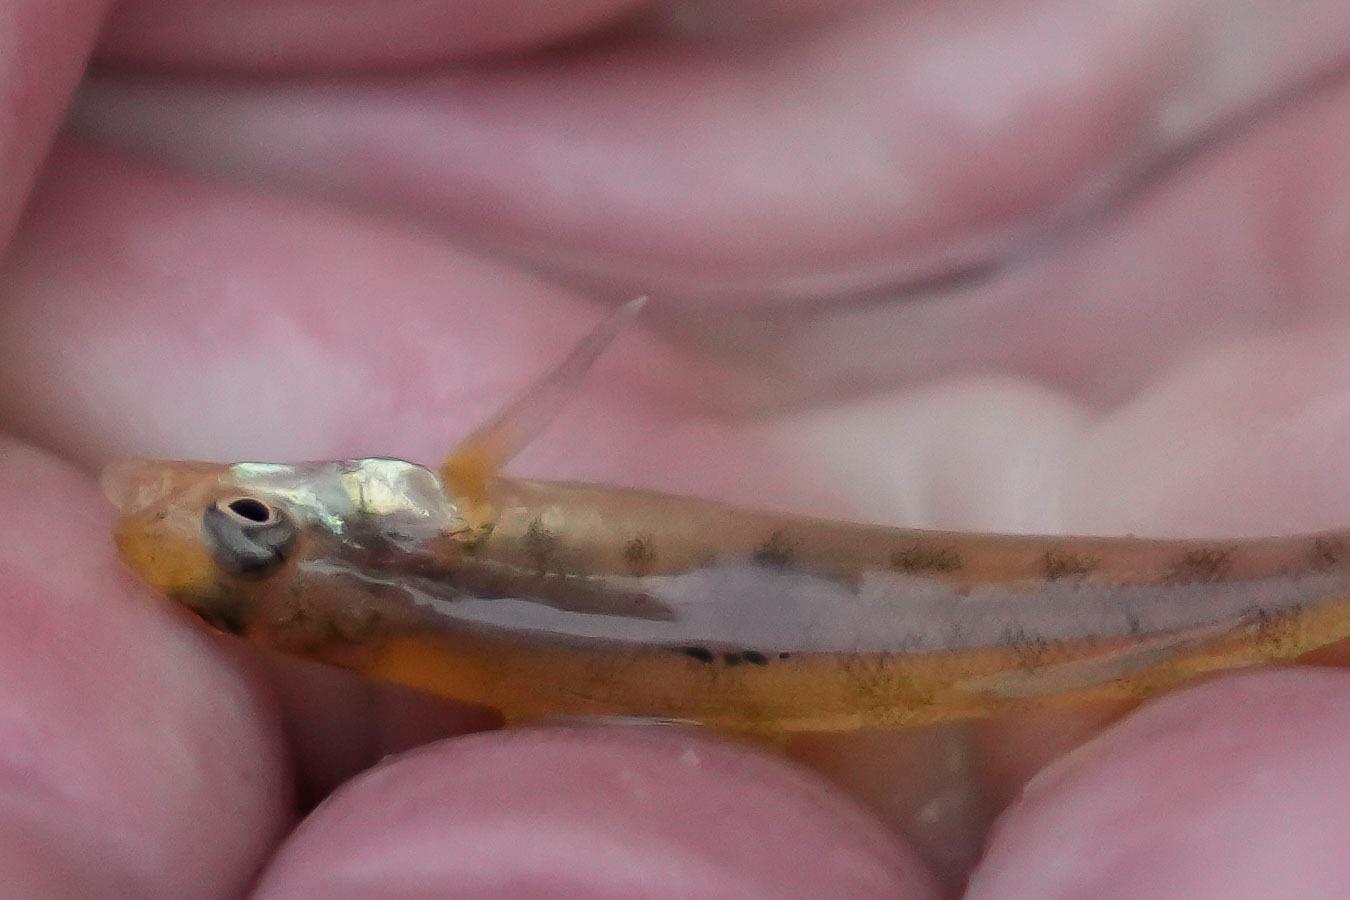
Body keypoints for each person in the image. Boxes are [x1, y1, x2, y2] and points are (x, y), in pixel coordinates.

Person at [2, 1, 1349, 895]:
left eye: (240, 529)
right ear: (400, 527)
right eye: (244, 535)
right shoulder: (443, 530)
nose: (193, 507)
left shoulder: (416, 605)